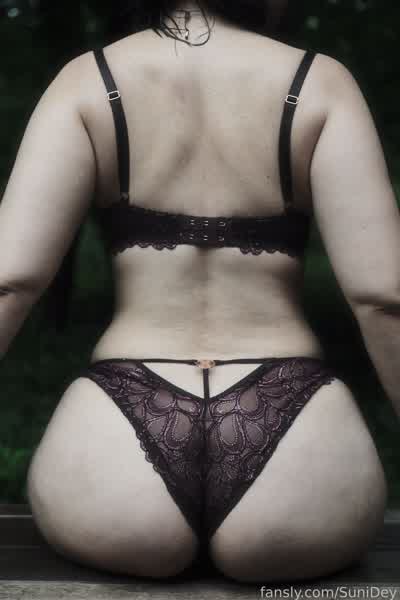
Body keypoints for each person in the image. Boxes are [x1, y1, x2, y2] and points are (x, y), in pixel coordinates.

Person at [0, 0, 398, 584]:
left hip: (116, 438)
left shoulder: (89, 79)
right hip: (297, 436)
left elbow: (10, 279)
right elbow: (383, 297)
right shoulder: (319, 81)